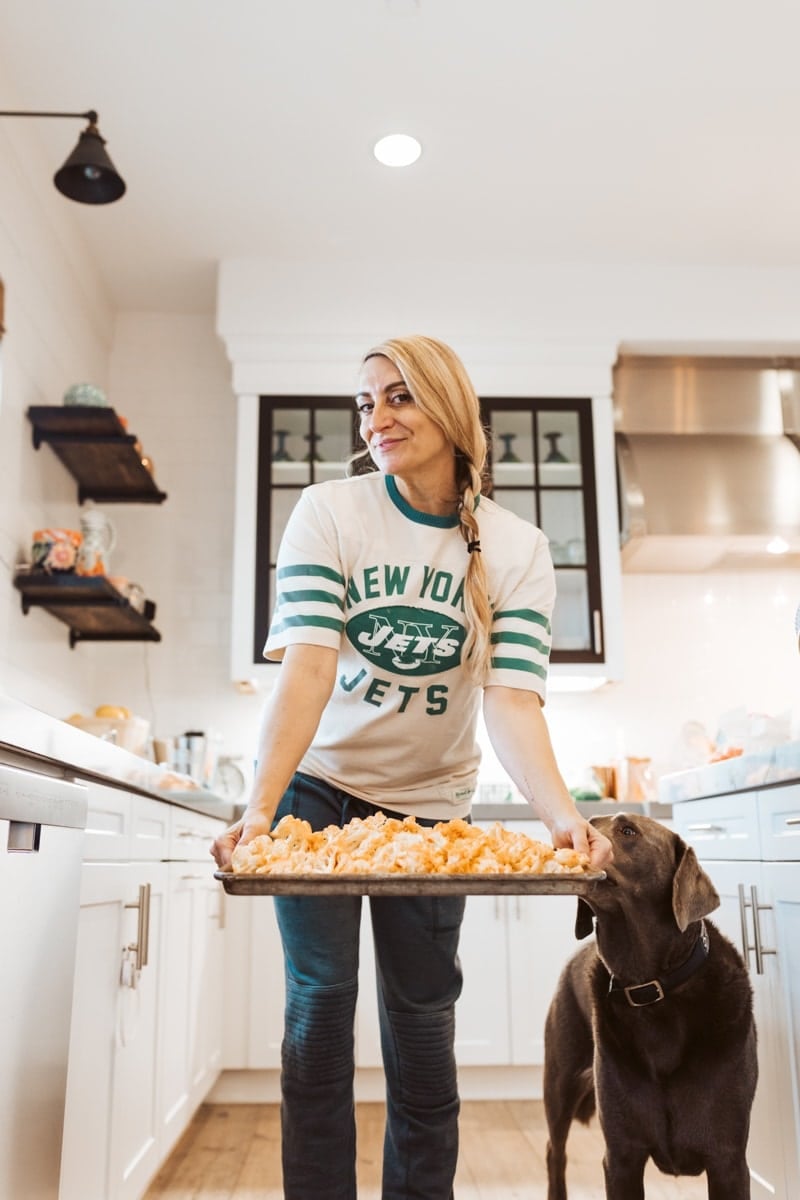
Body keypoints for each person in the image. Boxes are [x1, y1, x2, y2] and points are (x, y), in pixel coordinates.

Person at [211, 334, 613, 1200]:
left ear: (450, 407)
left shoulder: (516, 548)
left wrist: (563, 817)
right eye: (366, 403)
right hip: (317, 796)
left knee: (423, 1023)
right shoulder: (330, 511)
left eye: (399, 397)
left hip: (432, 812)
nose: (377, 419)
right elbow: (309, 669)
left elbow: (512, 701)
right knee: (318, 1011)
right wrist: (260, 808)